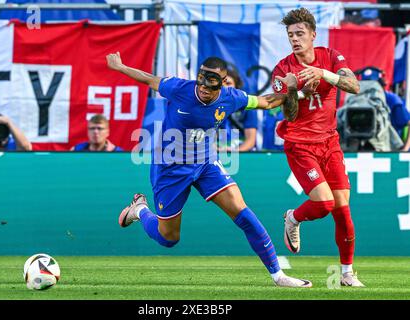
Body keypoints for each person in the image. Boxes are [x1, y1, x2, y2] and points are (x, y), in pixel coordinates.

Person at [107, 51, 313, 288]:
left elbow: (266, 102)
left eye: (210, 87)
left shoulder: (231, 97)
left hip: (205, 162)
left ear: (222, 84)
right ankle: (141, 210)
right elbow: (148, 79)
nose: (203, 89)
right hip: (170, 167)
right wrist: (121, 67)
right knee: (169, 238)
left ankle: (279, 276)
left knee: (242, 211)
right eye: (201, 83)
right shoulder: (179, 88)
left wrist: (296, 92)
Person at [271, 8, 365, 287]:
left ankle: (347, 273)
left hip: (329, 142)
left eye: (300, 34)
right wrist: (292, 91)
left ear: (313, 34)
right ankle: (292, 217)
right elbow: (288, 115)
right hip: (300, 144)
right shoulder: (283, 69)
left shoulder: (332, 57)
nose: (295, 39)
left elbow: (354, 86)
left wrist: (324, 74)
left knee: (343, 210)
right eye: (290, 35)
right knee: (324, 203)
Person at [358, 67, 410, 152]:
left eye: (373, 85)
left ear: (381, 84)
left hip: (390, 151)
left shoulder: (392, 100)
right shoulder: (357, 101)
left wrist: (405, 149)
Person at [218, 66, 258, 152]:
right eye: (221, 85)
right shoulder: (210, 106)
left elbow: (250, 141)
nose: (224, 87)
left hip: (242, 153)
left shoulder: (247, 107)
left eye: (228, 83)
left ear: (237, 86)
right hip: (217, 152)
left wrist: (234, 151)